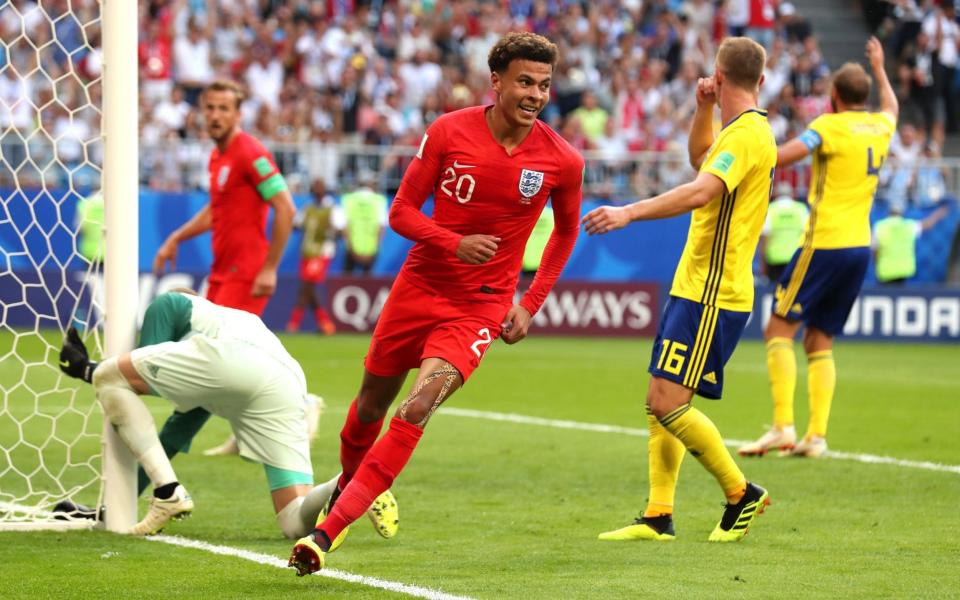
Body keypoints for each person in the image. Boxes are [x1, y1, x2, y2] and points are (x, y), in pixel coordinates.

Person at [288, 31, 584, 576]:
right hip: (419, 288)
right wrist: (452, 242)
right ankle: (364, 488)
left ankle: (327, 532)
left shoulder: (561, 159)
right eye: (525, 81)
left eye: (544, 85)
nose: (535, 94)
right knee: (366, 413)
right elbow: (400, 211)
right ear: (495, 81)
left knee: (419, 405)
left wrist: (530, 301)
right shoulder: (449, 131)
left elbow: (565, 234)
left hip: (481, 306)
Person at [582, 37, 775, 543]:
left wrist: (628, 211)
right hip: (695, 285)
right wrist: (703, 109)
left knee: (667, 401)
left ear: (719, 70)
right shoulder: (739, 130)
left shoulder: (750, 135)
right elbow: (700, 161)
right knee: (657, 398)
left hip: (714, 291)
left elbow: (700, 191)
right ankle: (658, 515)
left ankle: (741, 494)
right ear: (761, 78)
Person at [57, 290, 397, 539]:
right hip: (286, 381)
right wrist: (122, 504)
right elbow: (175, 433)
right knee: (295, 521)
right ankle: (351, 481)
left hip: (235, 362)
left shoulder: (168, 304)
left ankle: (166, 494)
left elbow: (133, 382)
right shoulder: (228, 324)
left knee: (107, 378)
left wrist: (86, 368)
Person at [738, 38, 898, 459]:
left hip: (824, 242)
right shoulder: (882, 126)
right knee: (820, 339)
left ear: (834, 97)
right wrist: (880, 68)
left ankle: (782, 426)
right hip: (859, 247)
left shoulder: (827, 127)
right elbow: (893, 107)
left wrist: (751, 152)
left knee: (777, 329)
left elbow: (785, 155)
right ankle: (816, 437)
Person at [150, 79, 297, 460]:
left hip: (246, 273)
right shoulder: (217, 157)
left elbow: (285, 207)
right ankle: (288, 413)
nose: (215, 115)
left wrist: (270, 268)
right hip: (222, 271)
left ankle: (169, 445)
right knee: (230, 357)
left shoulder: (250, 152)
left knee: (212, 355)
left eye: (223, 109)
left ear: (238, 113)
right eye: (210, 108)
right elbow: (216, 210)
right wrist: (176, 238)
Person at [287, 179, 342, 334]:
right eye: (315, 186)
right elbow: (297, 224)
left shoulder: (332, 208)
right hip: (307, 251)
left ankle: (295, 323)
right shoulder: (308, 208)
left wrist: (331, 229)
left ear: (325, 189)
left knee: (307, 285)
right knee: (307, 286)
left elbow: (340, 228)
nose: (317, 189)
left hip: (322, 252)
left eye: (320, 186)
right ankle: (324, 323)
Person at [873, 202, 949, 285]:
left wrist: (877, 262)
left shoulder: (879, 226)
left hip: (885, 270)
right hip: (904, 270)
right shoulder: (908, 225)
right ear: (901, 213)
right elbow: (927, 224)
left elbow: (875, 249)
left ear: (889, 213)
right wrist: (939, 214)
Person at [341, 172, 388, 276]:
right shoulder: (379, 200)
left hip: (352, 249)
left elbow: (345, 227)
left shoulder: (349, 199)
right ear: (372, 184)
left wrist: (351, 249)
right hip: (371, 250)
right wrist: (375, 249)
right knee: (367, 284)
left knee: (346, 282)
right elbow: (381, 228)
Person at [760, 183, 809, 283]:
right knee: (793, 293)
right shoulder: (801, 209)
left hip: (774, 259)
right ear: (792, 195)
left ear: (776, 195)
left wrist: (763, 263)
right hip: (795, 257)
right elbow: (807, 235)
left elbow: (765, 238)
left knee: (774, 291)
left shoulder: (770, 209)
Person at [521, 203, 555, 278]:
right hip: (546, 263)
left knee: (526, 288)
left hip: (527, 262)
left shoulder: (526, 215)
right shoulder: (552, 214)